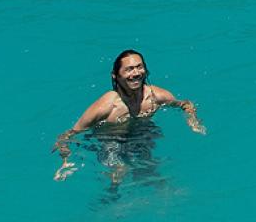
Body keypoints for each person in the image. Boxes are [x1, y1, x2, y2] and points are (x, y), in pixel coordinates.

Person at [53, 50, 204, 184]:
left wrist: (193, 121)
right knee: (118, 175)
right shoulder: (108, 105)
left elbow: (186, 104)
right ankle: (110, 202)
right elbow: (68, 135)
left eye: (139, 67)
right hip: (110, 138)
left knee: (150, 168)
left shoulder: (156, 96)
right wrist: (65, 161)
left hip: (142, 133)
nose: (136, 73)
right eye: (129, 69)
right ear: (116, 75)